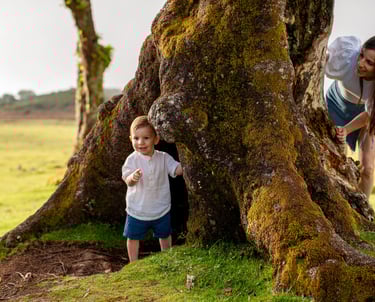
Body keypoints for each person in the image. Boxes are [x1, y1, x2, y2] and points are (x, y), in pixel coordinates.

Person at [122, 115, 183, 262]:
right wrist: (132, 178)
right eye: (136, 138)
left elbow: (176, 169)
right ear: (131, 139)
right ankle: (133, 263)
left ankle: (166, 258)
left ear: (156, 139)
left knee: (164, 234)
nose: (140, 142)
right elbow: (127, 179)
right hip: (137, 209)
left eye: (146, 138)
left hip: (161, 208)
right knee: (133, 237)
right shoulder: (132, 159)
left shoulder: (163, 157)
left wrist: (187, 165)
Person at [325, 36, 375, 199]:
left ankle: (363, 216)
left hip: (366, 115)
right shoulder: (347, 57)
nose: (361, 63)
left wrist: (347, 129)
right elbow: (315, 62)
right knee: (337, 159)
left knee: (367, 168)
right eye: (362, 55)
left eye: (370, 63)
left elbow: (369, 117)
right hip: (337, 103)